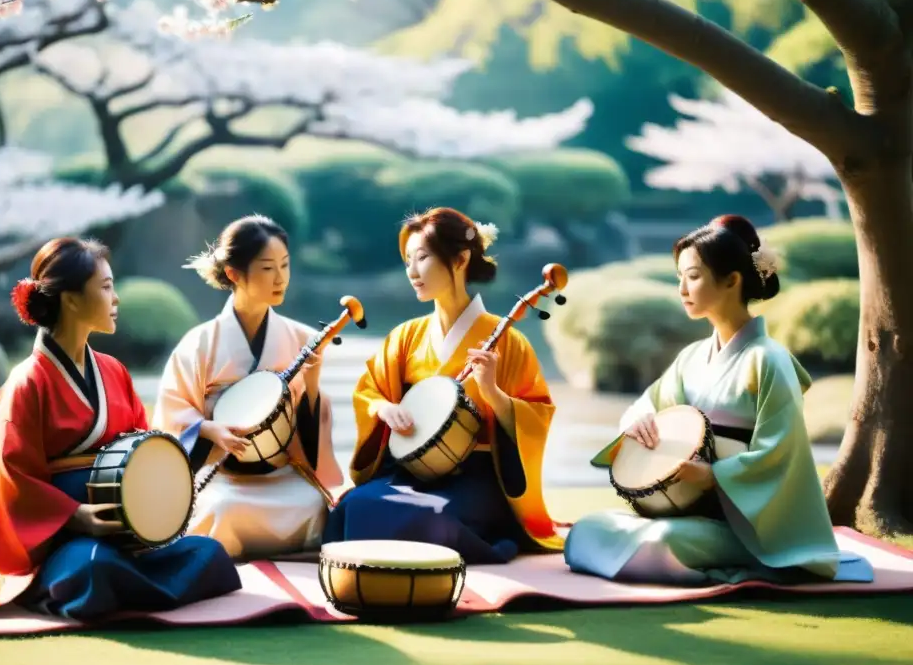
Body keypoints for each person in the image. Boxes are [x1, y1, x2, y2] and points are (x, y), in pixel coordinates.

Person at [0, 238, 241, 620]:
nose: (117, 299)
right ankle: (87, 585)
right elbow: (13, 480)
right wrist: (77, 516)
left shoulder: (113, 370)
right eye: (107, 287)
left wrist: (194, 446)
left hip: (124, 532)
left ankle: (119, 590)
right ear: (72, 299)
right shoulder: (27, 382)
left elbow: (144, 449)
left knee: (210, 554)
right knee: (92, 567)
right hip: (64, 539)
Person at [565, 215, 873, 585]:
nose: (681, 288)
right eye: (680, 277)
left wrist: (713, 476)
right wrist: (639, 421)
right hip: (685, 513)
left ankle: (734, 563)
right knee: (585, 531)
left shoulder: (769, 359)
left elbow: (780, 453)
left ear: (732, 280)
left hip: (744, 524)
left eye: (692, 276)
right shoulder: (692, 357)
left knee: (660, 544)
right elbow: (648, 403)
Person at [322, 207, 563, 564]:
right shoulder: (406, 336)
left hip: (476, 476)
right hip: (411, 468)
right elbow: (369, 391)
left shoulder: (508, 341)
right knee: (355, 505)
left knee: (433, 518)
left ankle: (491, 541)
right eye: (407, 261)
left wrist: (494, 393)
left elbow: (538, 416)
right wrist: (383, 408)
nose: (412, 272)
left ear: (461, 259)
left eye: (422, 258)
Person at [151, 214, 342, 560]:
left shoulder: (300, 338)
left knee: (314, 504)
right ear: (234, 274)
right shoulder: (200, 344)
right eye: (268, 268)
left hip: (281, 474)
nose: (281, 278)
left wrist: (311, 382)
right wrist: (208, 429)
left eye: (285, 265)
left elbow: (311, 431)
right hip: (225, 476)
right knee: (224, 510)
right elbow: (171, 415)